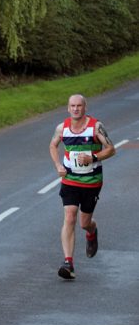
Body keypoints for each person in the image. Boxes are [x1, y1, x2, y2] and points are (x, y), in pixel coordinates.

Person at [48, 94, 115, 280]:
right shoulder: (62, 128)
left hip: (92, 181)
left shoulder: (96, 127)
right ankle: (68, 263)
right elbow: (53, 146)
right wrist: (58, 165)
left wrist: (93, 157)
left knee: (84, 223)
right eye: (72, 106)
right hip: (70, 180)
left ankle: (92, 231)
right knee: (69, 216)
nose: (76, 109)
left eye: (79, 106)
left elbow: (111, 149)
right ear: (68, 108)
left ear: (85, 107)